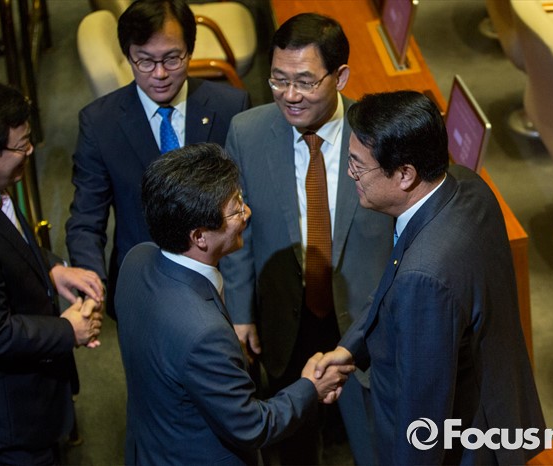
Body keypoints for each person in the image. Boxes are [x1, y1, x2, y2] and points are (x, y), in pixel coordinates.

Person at [314, 90, 546, 465]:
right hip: (499, 410)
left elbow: (423, 416)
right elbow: (390, 287)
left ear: (405, 174)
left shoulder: (423, 279)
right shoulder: (468, 185)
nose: (350, 173)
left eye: (358, 165)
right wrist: (349, 349)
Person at [219, 12, 393, 465]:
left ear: (341, 77)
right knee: (293, 443)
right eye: (279, 80)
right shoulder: (246, 133)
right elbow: (238, 231)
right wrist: (241, 310)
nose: (290, 95)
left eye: (305, 82)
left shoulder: (380, 136)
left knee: (369, 439)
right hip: (285, 314)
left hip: (363, 318)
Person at [115, 144, 354, 465]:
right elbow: (253, 425)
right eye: (236, 208)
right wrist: (312, 386)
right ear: (199, 236)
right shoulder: (204, 333)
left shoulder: (136, 260)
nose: (247, 213)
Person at [0, 81, 104, 465]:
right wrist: (69, 330)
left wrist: (51, 269)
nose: (31, 151)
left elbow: (7, 245)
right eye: (21, 146)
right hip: (5, 425)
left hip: (31, 406)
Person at [65, 0, 250, 318]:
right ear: (128, 56)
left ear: (190, 51)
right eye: (145, 61)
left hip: (221, 288)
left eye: (172, 59)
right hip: (143, 288)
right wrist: (91, 284)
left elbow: (247, 209)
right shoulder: (100, 122)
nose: (160, 74)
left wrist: (243, 305)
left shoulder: (230, 107)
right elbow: (86, 219)